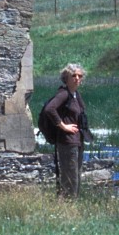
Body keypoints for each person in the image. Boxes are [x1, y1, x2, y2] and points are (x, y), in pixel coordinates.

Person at [42, 63, 92, 198]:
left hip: (77, 141)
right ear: (66, 78)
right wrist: (63, 126)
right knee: (70, 177)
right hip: (67, 142)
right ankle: (67, 204)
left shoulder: (75, 95)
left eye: (80, 76)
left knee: (76, 175)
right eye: (73, 75)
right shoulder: (64, 94)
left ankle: (71, 203)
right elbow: (49, 109)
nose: (77, 78)